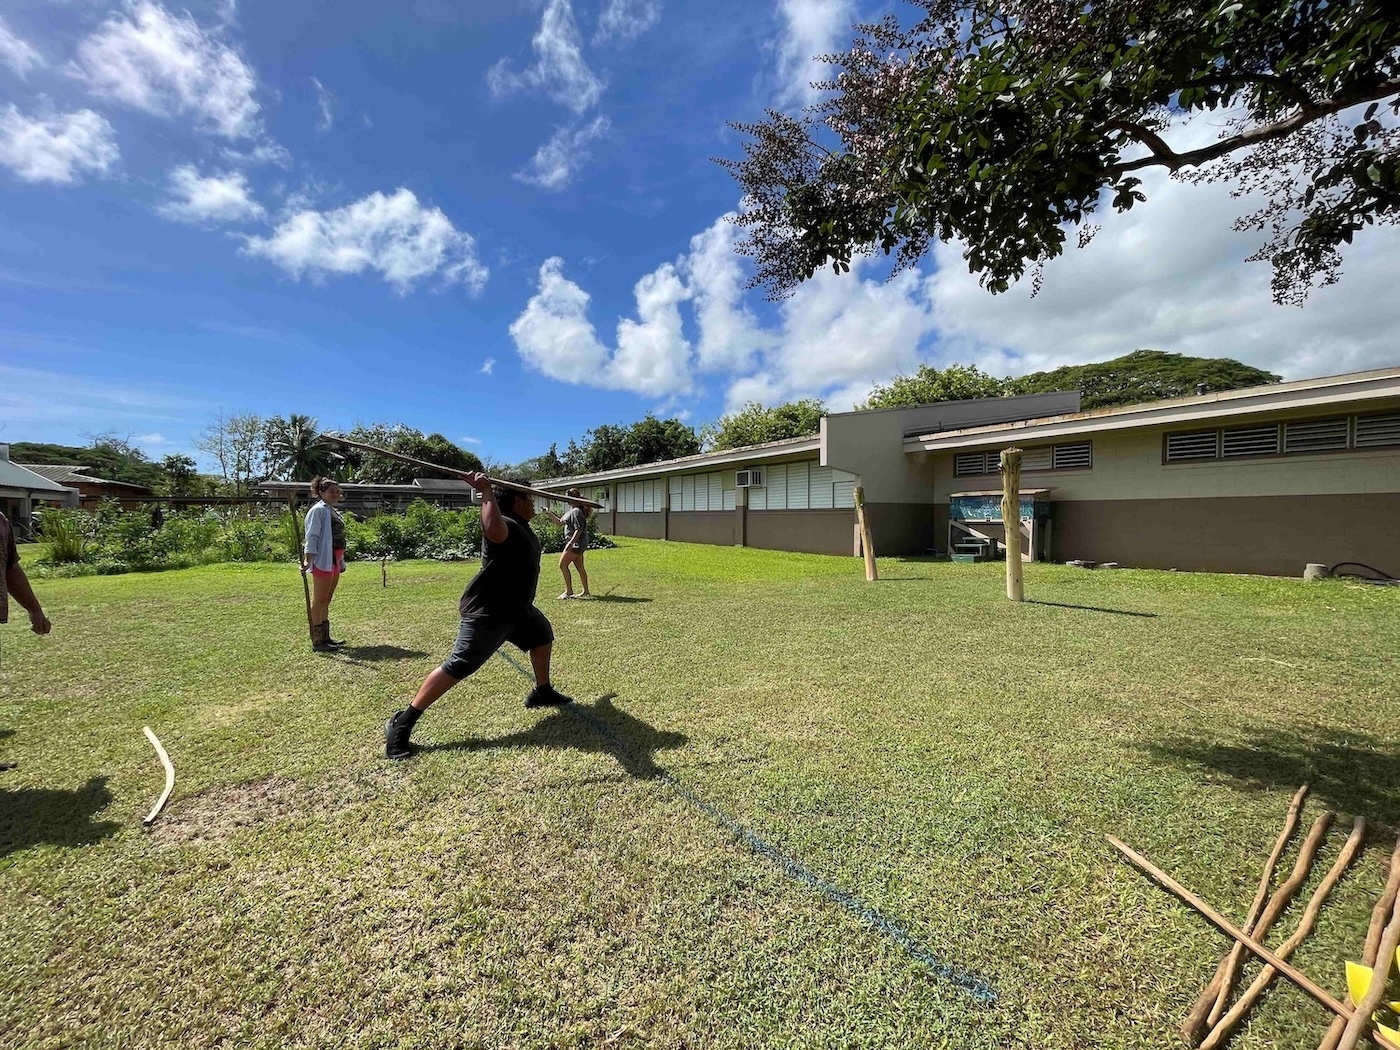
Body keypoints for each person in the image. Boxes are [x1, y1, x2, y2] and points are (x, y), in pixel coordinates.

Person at [384, 474, 573, 760]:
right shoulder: (503, 523)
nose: (534, 502)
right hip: (490, 613)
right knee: (458, 665)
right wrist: (486, 492)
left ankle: (542, 691)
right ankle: (403, 721)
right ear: (517, 501)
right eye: (529, 497)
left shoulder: (520, 523)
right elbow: (492, 531)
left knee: (542, 635)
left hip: (518, 610)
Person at [301, 477, 347, 652]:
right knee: (319, 600)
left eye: (337, 491)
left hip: (334, 560)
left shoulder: (332, 511)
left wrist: (341, 560)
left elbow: (337, 539)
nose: (336, 494)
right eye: (332, 491)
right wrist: (308, 559)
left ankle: (326, 637)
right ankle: (317, 640)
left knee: (326, 599)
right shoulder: (318, 511)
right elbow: (312, 536)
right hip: (322, 560)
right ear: (321, 492)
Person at [545, 488, 591, 599]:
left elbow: (578, 529)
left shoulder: (576, 512)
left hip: (575, 543)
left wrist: (571, 542)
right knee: (580, 567)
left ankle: (569, 592)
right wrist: (549, 513)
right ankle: (585, 591)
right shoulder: (571, 511)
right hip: (575, 543)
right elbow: (560, 522)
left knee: (562, 564)